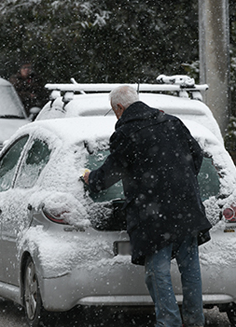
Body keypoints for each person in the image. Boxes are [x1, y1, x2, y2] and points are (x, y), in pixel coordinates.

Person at [83, 85, 211, 327]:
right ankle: (195, 321)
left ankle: (169, 322)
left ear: (119, 108)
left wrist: (93, 180)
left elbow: (112, 171)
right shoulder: (172, 122)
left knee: (158, 272)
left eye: (114, 111)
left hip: (155, 216)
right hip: (187, 208)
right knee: (190, 267)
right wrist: (182, 183)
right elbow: (197, 154)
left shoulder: (127, 133)